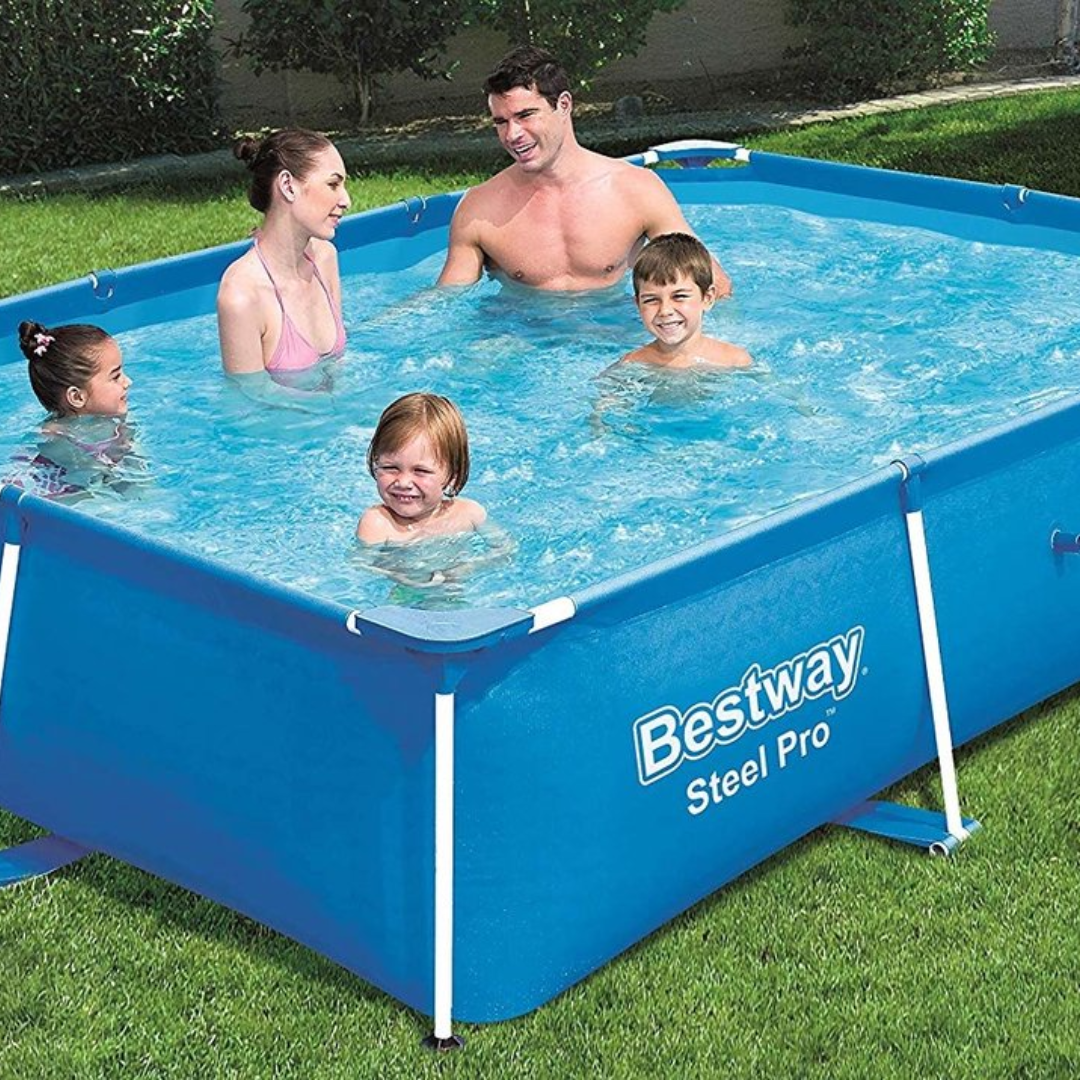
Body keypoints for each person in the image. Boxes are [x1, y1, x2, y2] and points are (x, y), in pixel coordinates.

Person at [437, 45, 731, 295]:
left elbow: (713, 285)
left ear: (564, 105)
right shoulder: (479, 209)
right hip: (521, 334)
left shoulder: (636, 189)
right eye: (501, 122)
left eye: (525, 115)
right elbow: (445, 304)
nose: (512, 134)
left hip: (614, 331)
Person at [217, 129, 350, 394]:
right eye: (333, 185)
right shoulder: (241, 296)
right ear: (288, 186)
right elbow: (249, 399)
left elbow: (337, 369)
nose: (346, 200)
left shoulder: (325, 258)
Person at [6, 320, 143, 499]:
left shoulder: (117, 421)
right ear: (77, 397)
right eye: (116, 376)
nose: (128, 382)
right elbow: (95, 479)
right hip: (40, 496)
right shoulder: (55, 436)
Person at [356, 393, 487, 544]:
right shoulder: (377, 524)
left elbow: (502, 549)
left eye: (421, 471)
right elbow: (367, 560)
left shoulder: (469, 514)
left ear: (452, 476)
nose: (403, 483)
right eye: (390, 467)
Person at [617, 233, 751, 370]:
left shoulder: (735, 361)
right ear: (638, 305)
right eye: (651, 300)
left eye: (679, 296)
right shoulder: (632, 365)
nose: (665, 311)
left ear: (707, 298)